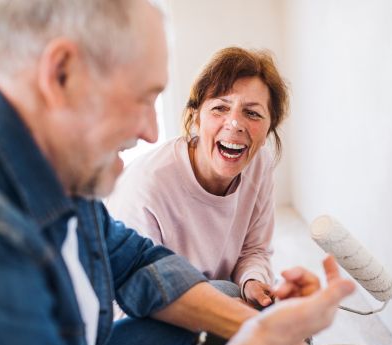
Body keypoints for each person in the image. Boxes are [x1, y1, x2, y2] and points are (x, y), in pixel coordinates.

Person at [0, 1, 355, 345]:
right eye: (143, 97)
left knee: (219, 310)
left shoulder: (49, 161)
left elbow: (134, 262)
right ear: (61, 74)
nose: (150, 130)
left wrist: (266, 330)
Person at [106, 47, 287, 307]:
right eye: (220, 108)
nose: (234, 123)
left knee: (281, 312)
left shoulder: (259, 163)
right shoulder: (147, 186)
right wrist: (229, 315)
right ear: (196, 119)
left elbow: (253, 251)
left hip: (203, 301)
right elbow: (131, 300)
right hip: (139, 319)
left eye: (253, 113)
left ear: (269, 127)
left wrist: (252, 281)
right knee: (225, 292)